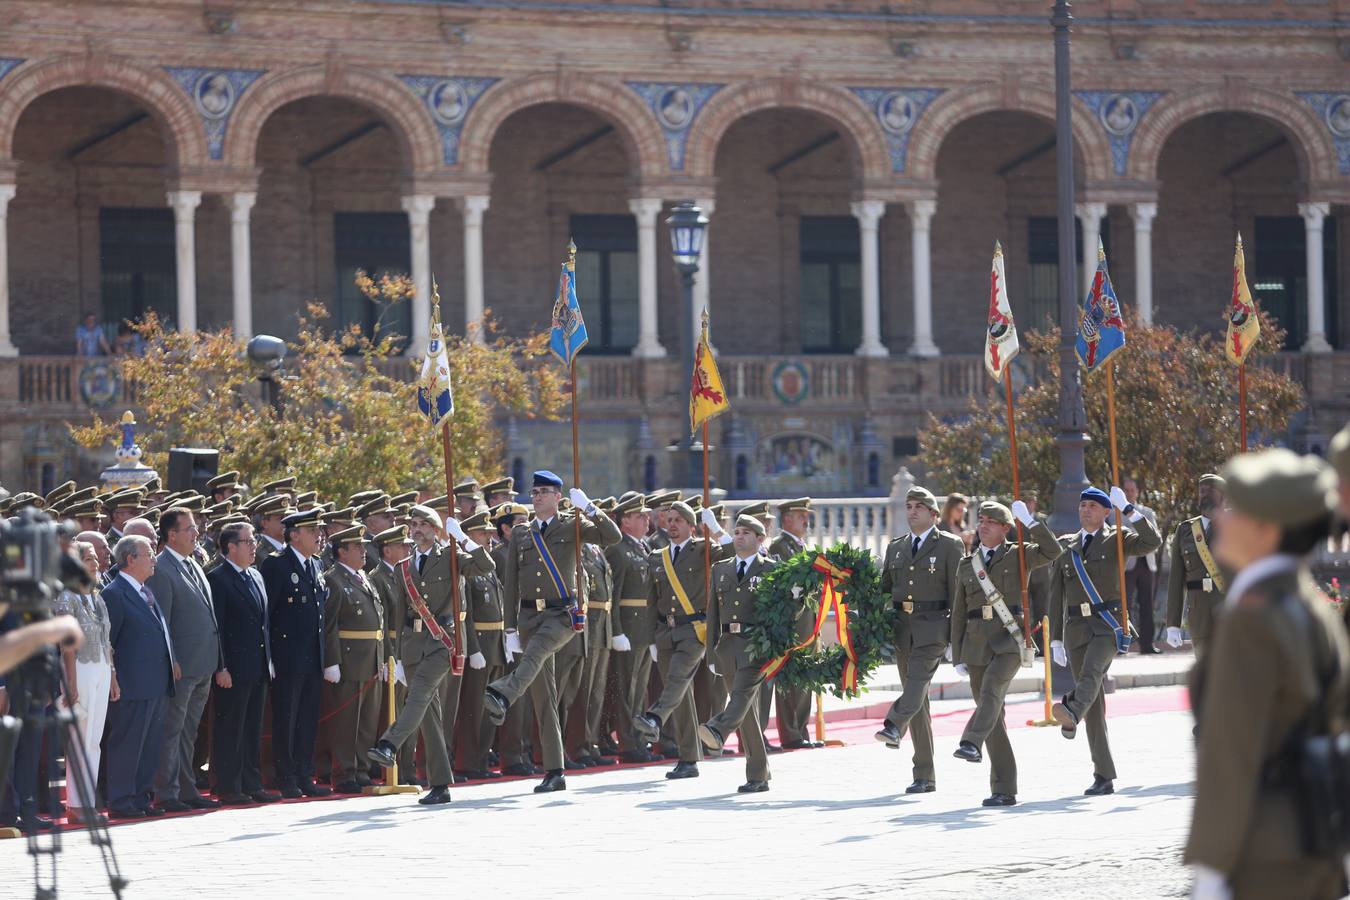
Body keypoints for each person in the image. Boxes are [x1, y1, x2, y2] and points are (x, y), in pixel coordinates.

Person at [1184, 449, 1350, 900]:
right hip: (1314, 838)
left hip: (1262, 855)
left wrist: (1213, 870)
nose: (1220, 516)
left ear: (1265, 529)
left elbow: (1231, 752)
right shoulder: (1310, 604)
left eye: (1233, 508)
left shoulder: (1253, 618)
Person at [480, 471, 621, 793]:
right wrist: (511, 627)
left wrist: (590, 509)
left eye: (545, 492)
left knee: (537, 653)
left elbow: (611, 537)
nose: (538, 496)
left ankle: (503, 692)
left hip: (561, 613)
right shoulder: (520, 533)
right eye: (535, 492)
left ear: (558, 497)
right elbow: (512, 582)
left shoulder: (572, 525)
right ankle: (554, 770)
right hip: (530, 615)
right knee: (544, 697)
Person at [365, 506, 494, 805]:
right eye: (414, 524)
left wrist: (462, 538)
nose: (417, 528)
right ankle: (440, 784)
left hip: (442, 641)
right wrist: (396, 657)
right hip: (412, 644)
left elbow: (486, 566)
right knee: (430, 718)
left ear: (436, 531)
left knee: (419, 696)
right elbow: (399, 617)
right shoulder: (403, 568)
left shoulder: (451, 558)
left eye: (424, 524)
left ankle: (388, 744)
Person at [1049, 486, 1162, 796]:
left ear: (1105, 512)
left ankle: (1071, 709)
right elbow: (1055, 595)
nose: (1085, 510)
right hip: (1075, 629)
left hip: (1107, 625)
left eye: (1092, 506)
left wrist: (1128, 511)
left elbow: (1153, 541)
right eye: (1082, 504)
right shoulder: (1066, 547)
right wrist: (1056, 640)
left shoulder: (1117, 540)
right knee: (1095, 706)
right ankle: (1103, 775)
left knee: (1092, 673)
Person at [949, 501, 1061, 808]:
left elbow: (1053, 551)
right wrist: (956, 651)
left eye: (991, 522)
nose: (983, 526)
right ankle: (1004, 788)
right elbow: (959, 611)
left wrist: (1031, 522)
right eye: (981, 520)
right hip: (975, 645)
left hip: (1010, 640)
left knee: (992, 690)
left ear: (1005, 529)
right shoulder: (966, 564)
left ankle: (970, 741)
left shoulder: (1020, 554)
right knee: (993, 716)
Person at [632, 501, 734, 780]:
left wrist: (715, 531)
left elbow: (735, 553)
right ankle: (688, 758)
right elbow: (651, 601)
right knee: (680, 696)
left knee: (677, 680)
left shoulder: (703, 550)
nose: (673, 524)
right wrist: (650, 638)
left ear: (692, 526)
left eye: (680, 520)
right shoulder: (657, 557)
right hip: (666, 632)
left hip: (694, 631)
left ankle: (653, 717)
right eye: (670, 519)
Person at [875, 487, 963, 793]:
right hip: (903, 629)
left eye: (919, 507)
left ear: (934, 514)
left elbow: (958, 594)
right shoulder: (896, 548)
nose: (912, 511)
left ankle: (892, 725)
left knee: (915, 686)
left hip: (934, 628)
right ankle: (924, 775)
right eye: (909, 506)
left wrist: (955, 638)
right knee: (918, 702)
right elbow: (884, 589)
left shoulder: (950, 546)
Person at [147, 506, 222, 812]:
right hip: (181, 667)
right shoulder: (162, 568)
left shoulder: (192, 564)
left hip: (202, 662)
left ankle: (186, 787)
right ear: (171, 535)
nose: (197, 533)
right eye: (189, 529)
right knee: (172, 731)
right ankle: (167, 792)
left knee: (189, 731)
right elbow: (160, 620)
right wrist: (171, 660)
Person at [698, 515, 774, 793]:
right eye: (737, 532)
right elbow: (713, 615)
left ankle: (717, 729)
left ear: (760, 539)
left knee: (740, 697)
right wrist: (711, 655)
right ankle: (758, 775)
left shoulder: (772, 570)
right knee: (746, 713)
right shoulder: (720, 569)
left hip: (757, 646)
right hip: (728, 647)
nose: (739, 537)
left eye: (746, 533)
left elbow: (786, 612)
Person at [102, 535, 176, 819]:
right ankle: (121, 801)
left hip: (155, 682)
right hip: (131, 685)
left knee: (149, 745)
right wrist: (113, 677)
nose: (154, 559)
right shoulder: (114, 593)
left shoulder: (146, 590)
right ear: (130, 559)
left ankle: (141, 797)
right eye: (148, 554)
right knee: (127, 744)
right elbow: (109, 642)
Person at [260, 508, 331, 799]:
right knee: (285, 719)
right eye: (312, 531)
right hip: (287, 657)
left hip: (312, 656)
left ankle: (304, 773)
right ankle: (285, 776)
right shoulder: (276, 565)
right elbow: (268, 615)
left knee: (306, 719)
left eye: (319, 530)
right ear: (294, 535)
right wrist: (271, 657)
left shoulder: (315, 564)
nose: (319, 535)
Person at [206, 522, 279, 804]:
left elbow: (264, 625)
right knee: (230, 728)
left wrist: (268, 660)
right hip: (233, 669)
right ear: (230, 547)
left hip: (258, 665)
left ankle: (251, 781)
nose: (253, 547)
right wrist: (220, 666)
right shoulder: (219, 579)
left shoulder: (256, 577)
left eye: (253, 541)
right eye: (247, 542)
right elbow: (218, 629)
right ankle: (228, 785)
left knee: (252, 727)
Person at [53, 540, 116, 824]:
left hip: (101, 669)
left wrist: (113, 676)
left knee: (94, 740)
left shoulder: (96, 596)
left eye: (94, 558)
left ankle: (87, 802)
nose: (95, 563)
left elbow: (107, 642)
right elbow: (67, 645)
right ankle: (76, 805)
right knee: (79, 739)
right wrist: (71, 683)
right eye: (88, 558)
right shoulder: (67, 597)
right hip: (79, 669)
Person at [322, 526, 386, 793]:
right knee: (347, 720)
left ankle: (360, 768)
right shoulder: (334, 579)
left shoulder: (362, 577)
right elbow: (330, 625)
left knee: (367, 720)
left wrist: (384, 659)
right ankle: (344, 772)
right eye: (357, 547)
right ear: (341, 551)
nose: (363, 551)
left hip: (370, 656)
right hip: (349, 659)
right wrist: (332, 661)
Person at [455, 512, 508, 780]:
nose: (489, 537)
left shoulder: (489, 569)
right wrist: (473, 648)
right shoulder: (469, 569)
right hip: (480, 645)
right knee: (473, 707)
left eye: (489, 533)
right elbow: (469, 615)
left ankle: (482, 758)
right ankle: (468, 761)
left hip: (495, 644)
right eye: (482, 533)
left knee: (489, 705)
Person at [605, 493, 655, 762]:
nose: (647, 519)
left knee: (640, 689)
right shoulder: (617, 549)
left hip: (644, 628)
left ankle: (638, 739)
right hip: (628, 627)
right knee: (627, 688)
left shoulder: (642, 547)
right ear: (624, 521)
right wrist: (616, 631)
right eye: (640, 515)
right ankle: (628, 743)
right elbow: (613, 594)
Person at [367, 524, 417, 783]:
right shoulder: (377, 577)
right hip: (394, 652)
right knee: (394, 712)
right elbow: (383, 624)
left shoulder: (405, 573)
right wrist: (390, 658)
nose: (408, 549)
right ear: (387, 550)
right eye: (402, 546)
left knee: (411, 710)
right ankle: (391, 769)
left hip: (410, 647)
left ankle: (408, 768)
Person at [768, 497, 820, 751]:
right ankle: (790, 732)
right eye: (801, 516)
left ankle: (801, 729)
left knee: (805, 678)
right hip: (792, 623)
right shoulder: (779, 546)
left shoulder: (801, 547)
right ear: (787, 519)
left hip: (807, 623)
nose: (806, 520)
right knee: (790, 679)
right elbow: (780, 582)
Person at [1166, 474, 1232, 656]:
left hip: (1229, 609)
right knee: (1205, 672)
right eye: (1202, 491)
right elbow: (1176, 581)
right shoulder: (1185, 530)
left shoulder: (1236, 526)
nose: (1205, 495)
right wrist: (1172, 623)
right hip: (1199, 612)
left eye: (1211, 491)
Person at [1121, 477, 1161, 654]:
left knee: (1147, 605)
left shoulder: (1148, 512)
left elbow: (1154, 534)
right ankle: (1122, 644)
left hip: (1146, 562)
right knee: (1124, 606)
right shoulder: (1116, 513)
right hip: (1127, 563)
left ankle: (1147, 644)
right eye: (1126, 490)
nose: (1129, 493)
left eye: (1132, 490)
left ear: (1137, 492)